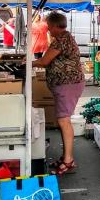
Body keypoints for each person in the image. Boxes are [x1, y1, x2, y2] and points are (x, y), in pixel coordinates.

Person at [32, 12, 85, 175]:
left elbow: (44, 61)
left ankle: (68, 161)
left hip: (67, 84)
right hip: (68, 84)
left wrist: (27, 62)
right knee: (63, 120)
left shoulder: (61, 39)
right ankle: (66, 157)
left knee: (64, 121)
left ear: (55, 26)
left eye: (48, 26)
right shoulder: (64, 37)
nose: (47, 30)